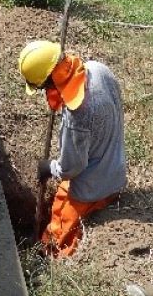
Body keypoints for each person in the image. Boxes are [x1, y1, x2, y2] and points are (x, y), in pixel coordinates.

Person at [17, 40, 127, 258]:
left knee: (59, 223)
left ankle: (50, 256)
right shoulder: (98, 69)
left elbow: (69, 169)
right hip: (116, 169)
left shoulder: (77, 116)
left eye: (41, 87)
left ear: (49, 81)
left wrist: (49, 167)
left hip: (93, 189)